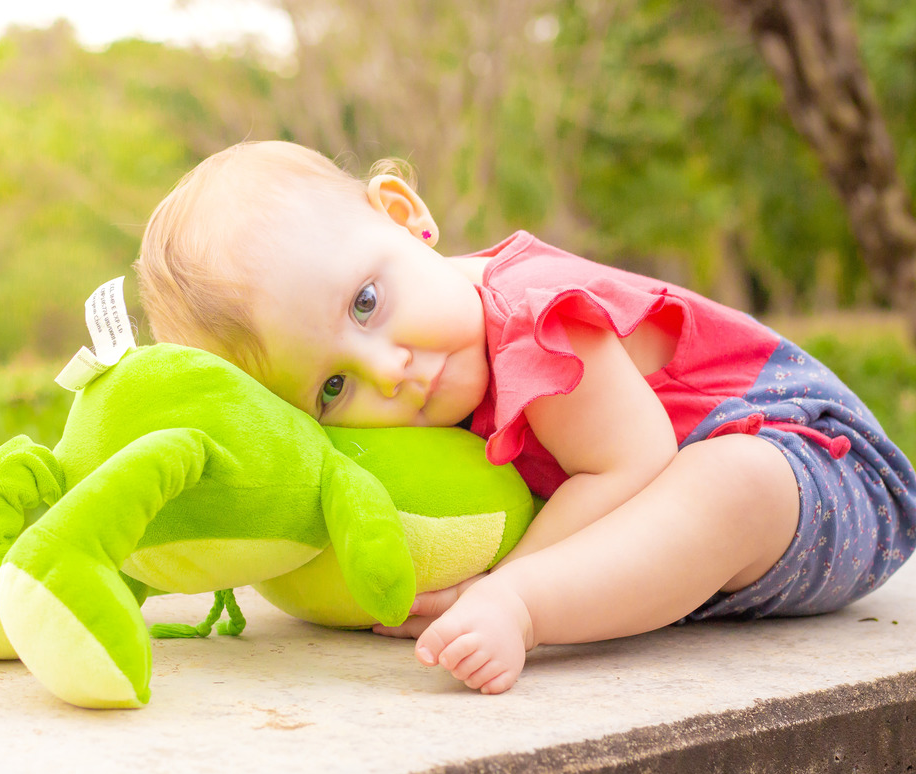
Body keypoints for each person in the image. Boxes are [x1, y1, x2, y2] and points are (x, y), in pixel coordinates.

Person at [134, 140, 916, 695]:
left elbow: (633, 461)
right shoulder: (435, 359)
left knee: (735, 479)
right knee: (707, 493)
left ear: (404, 217)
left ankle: (536, 609)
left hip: (830, 476)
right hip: (698, 556)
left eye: (367, 303)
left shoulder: (530, 315)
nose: (390, 371)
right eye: (332, 389)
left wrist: (509, 587)